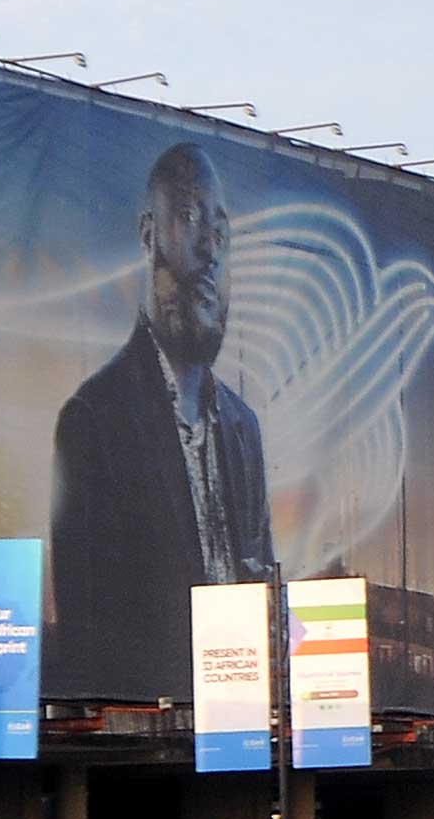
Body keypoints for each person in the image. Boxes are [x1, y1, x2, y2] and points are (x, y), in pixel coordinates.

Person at [49, 141, 282, 666]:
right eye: (188, 218)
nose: (209, 249)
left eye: (219, 232)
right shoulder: (95, 420)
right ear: (148, 233)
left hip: (239, 708)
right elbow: (87, 637)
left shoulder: (244, 430)